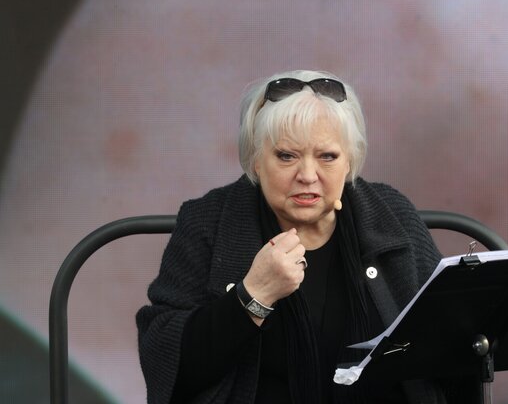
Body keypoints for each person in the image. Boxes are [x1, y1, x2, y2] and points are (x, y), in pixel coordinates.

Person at [136, 70, 461, 404]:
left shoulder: (392, 214)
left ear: (349, 161)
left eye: (327, 156)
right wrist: (254, 296)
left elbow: (454, 342)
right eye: (286, 156)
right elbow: (163, 361)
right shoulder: (207, 222)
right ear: (256, 160)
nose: (307, 175)